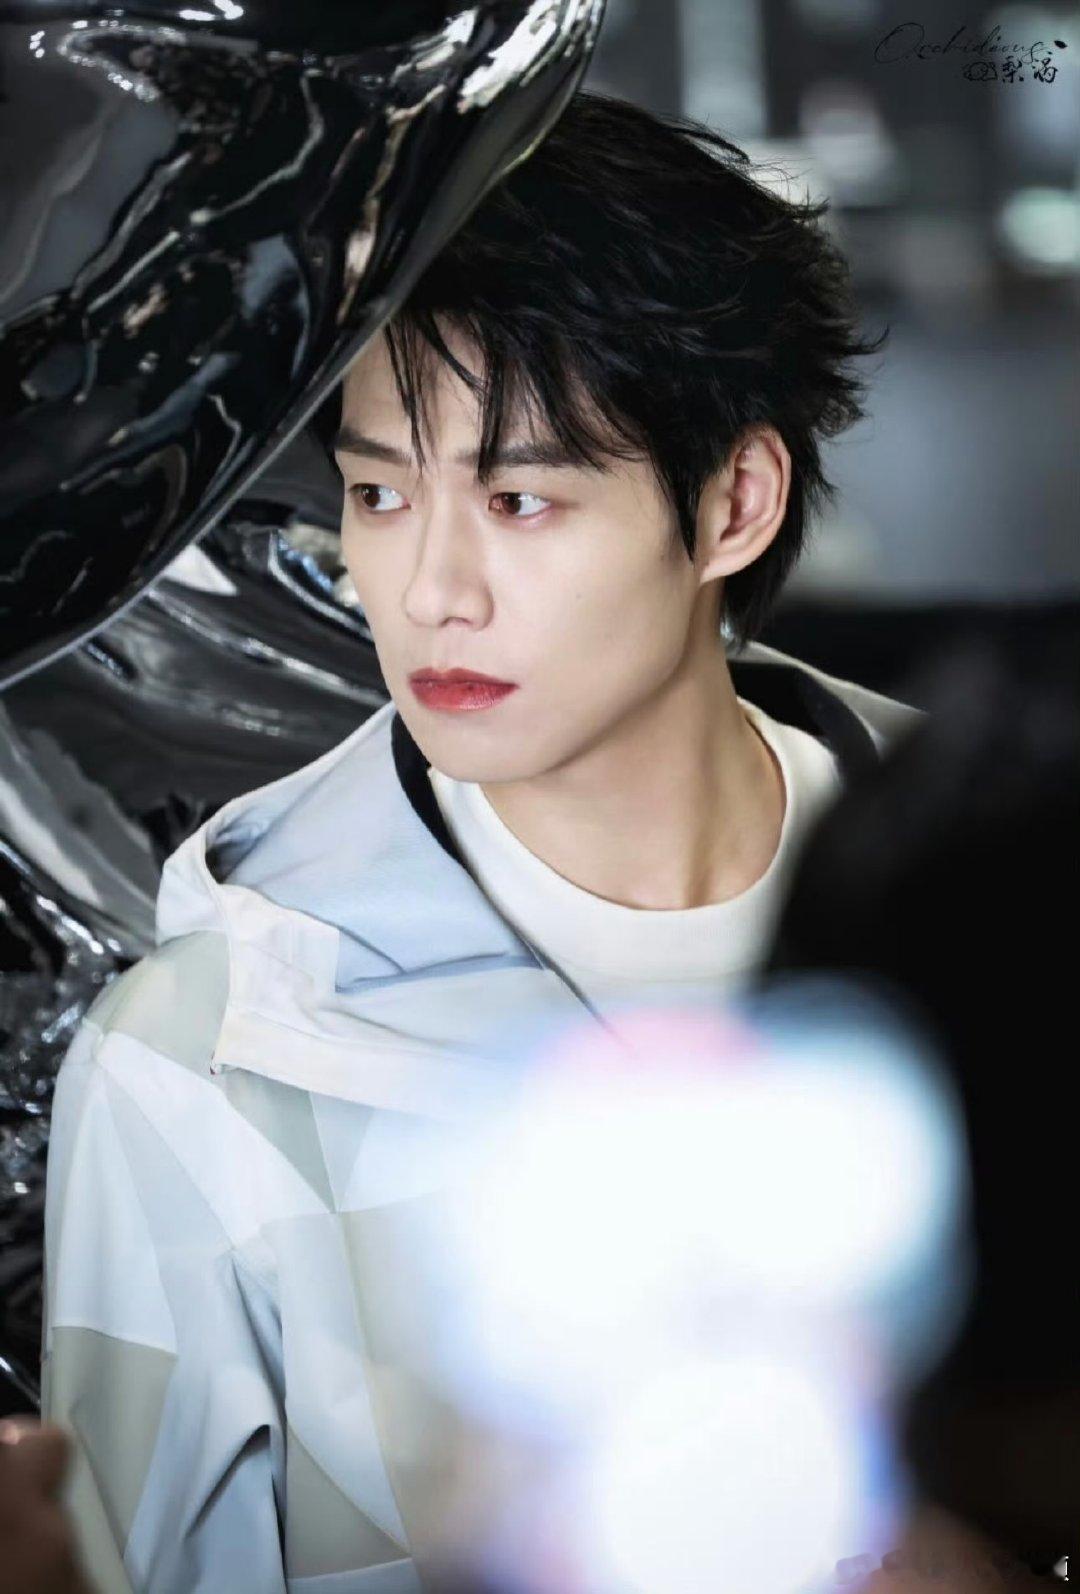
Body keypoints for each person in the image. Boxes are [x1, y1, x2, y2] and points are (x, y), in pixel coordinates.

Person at [42, 90, 918, 1592]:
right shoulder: (200, 1061)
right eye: (380, 493)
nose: (429, 588)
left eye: (518, 498)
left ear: (734, 504)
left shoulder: (1003, 896)